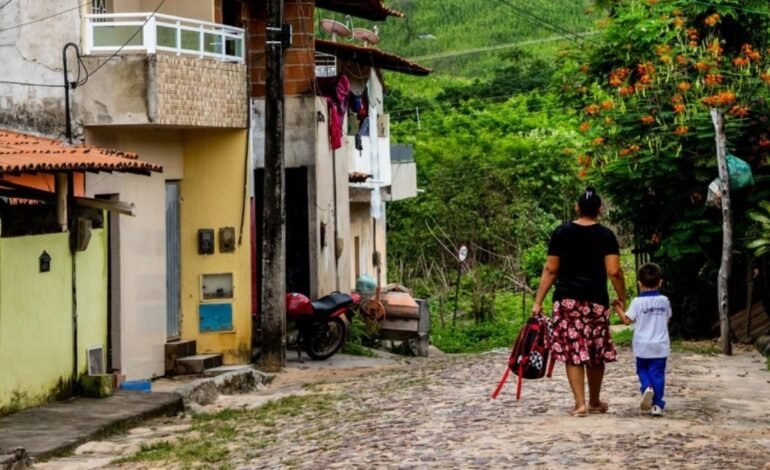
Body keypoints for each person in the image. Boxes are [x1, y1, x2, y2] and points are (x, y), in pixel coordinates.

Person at [531, 187, 626, 417]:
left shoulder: (561, 233)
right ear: (600, 210)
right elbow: (614, 271)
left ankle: (580, 404)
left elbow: (551, 270)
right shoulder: (606, 236)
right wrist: (622, 297)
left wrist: (538, 302)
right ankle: (594, 400)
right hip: (596, 301)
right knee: (595, 349)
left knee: (574, 350)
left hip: (567, 301)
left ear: (577, 207)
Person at [613, 263, 671, 416]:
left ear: (639, 284)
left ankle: (646, 387)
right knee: (658, 373)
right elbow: (667, 318)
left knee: (642, 369)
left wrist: (617, 308)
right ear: (660, 282)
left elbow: (627, 320)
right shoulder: (664, 301)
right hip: (660, 345)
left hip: (641, 345)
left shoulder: (637, 302)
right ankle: (657, 405)